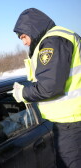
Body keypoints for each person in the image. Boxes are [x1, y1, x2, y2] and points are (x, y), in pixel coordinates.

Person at [12, 8, 81, 168]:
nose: (24, 43)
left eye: (23, 36)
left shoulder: (53, 41)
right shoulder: (61, 36)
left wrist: (22, 93)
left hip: (70, 121)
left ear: (32, 27)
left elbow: (49, 87)